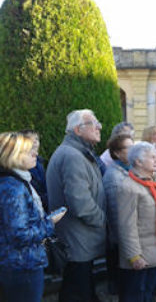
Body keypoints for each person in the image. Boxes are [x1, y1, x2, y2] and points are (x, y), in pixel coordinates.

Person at [46, 109, 107, 301]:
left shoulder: (79, 152)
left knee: (80, 286)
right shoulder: (72, 156)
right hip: (77, 237)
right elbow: (80, 203)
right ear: (77, 130)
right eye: (94, 123)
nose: (99, 127)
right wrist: (103, 220)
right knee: (76, 290)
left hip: (81, 237)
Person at [0, 132, 65, 302]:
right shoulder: (13, 188)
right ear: (13, 156)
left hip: (18, 264)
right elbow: (19, 235)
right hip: (22, 266)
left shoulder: (15, 182)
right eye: (29, 151)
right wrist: (50, 223)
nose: (36, 153)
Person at [116, 142, 156, 302]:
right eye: (152, 158)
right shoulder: (129, 187)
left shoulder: (155, 183)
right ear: (138, 162)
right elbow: (126, 225)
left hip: (154, 251)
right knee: (135, 295)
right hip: (140, 255)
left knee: (148, 294)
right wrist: (134, 256)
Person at [102, 133, 134, 295]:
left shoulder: (130, 170)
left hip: (132, 235)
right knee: (127, 284)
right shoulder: (114, 177)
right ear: (117, 153)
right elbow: (116, 215)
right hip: (123, 240)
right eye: (129, 147)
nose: (133, 150)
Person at [19, 130, 49, 213]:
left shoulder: (39, 163)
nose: (35, 141)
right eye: (30, 138)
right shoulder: (23, 168)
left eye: (36, 139)